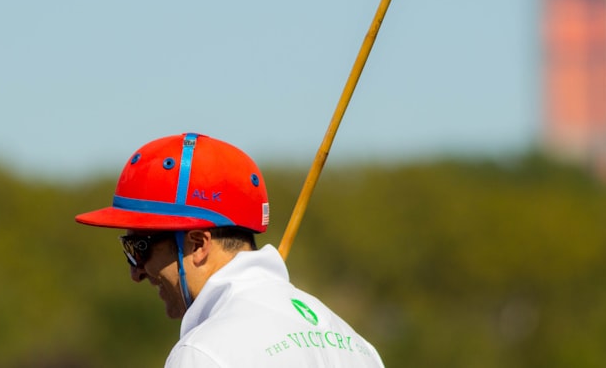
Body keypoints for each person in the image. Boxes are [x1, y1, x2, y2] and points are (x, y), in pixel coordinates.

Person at [75, 132, 385, 367]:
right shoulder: (357, 346)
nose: (135, 272)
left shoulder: (203, 353)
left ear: (198, 244)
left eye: (138, 247)